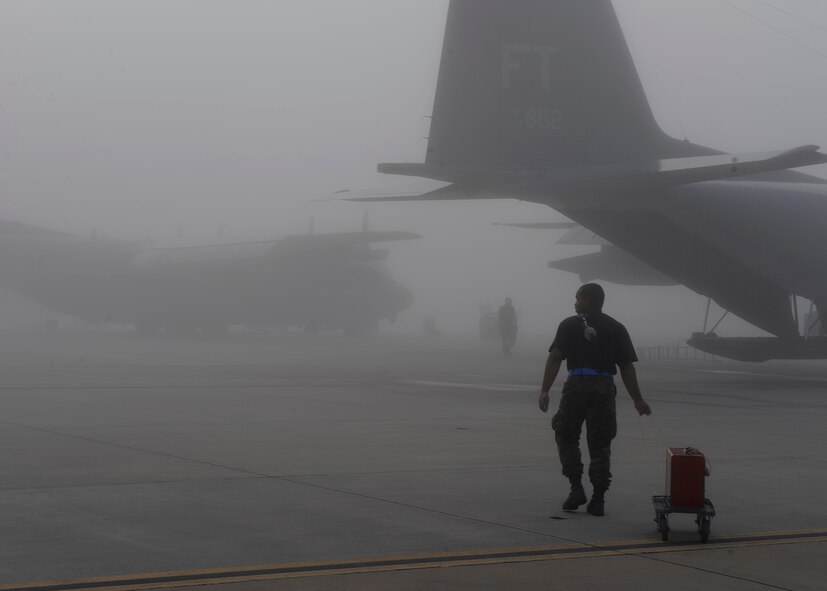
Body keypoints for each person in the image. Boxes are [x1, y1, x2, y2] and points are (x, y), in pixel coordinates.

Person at [538, 284, 651, 516]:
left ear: (588, 300)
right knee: (600, 442)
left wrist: (545, 390)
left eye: (578, 298)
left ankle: (576, 488)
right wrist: (637, 400)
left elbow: (555, 357)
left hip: (577, 385)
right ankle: (598, 499)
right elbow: (626, 366)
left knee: (566, 434)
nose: (575, 302)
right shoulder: (616, 327)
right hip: (604, 387)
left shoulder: (569, 324)